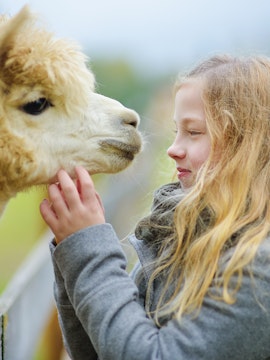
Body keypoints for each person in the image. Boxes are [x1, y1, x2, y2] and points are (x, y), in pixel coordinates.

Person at [40, 54, 270, 360]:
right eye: (176, 131)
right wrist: (74, 245)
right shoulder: (177, 234)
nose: (173, 149)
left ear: (248, 144)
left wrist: (89, 249)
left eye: (194, 132)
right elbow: (96, 350)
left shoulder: (258, 269)